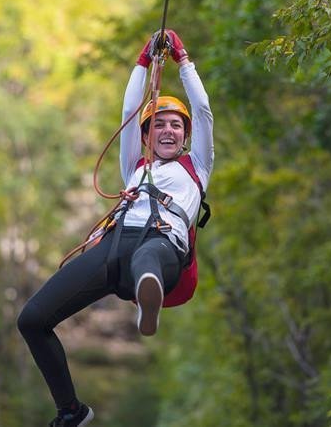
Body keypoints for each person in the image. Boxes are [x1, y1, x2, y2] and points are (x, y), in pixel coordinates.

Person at [17, 29, 213, 427]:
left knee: (148, 255)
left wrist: (183, 60)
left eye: (176, 125)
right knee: (32, 320)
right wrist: (142, 62)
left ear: (187, 135)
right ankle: (71, 411)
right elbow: (128, 111)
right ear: (145, 136)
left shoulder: (198, 167)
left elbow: (204, 107)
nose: (169, 131)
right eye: (158, 125)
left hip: (163, 247)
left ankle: (148, 298)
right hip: (113, 249)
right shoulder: (134, 167)